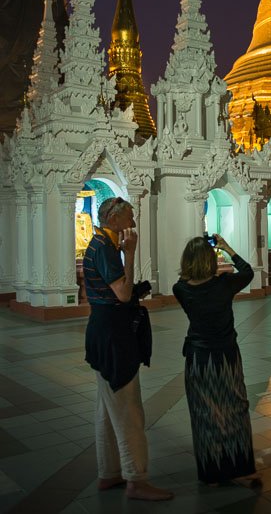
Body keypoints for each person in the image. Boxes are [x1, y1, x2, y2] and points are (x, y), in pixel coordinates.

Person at [83, 197, 173, 502]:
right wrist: (131, 254)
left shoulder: (99, 245)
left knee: (107, 410)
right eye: (130, 218)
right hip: (113, 336)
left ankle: (109, 473)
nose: (133, 224)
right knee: (129, 409)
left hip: (101, 331)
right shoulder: (104, 248)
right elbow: (122, 294)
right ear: (114, 218)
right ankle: (136, 479)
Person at [173, 234, 260, 488]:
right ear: (211, 260)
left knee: (204, 413)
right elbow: (247, 271)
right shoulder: (225, 284)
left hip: (199, 358)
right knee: (235, 409)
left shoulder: (181, 290)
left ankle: (211, 472)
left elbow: (184, 280)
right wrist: (226, 248)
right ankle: (240, 467)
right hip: (226, 356)